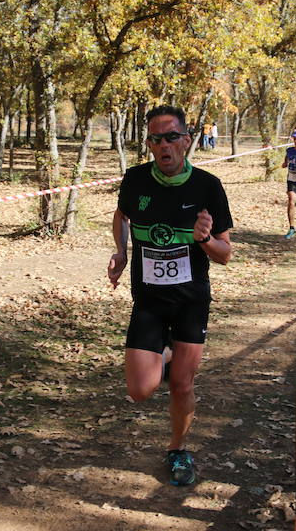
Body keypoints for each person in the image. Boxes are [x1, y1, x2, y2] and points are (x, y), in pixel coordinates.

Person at [107, 105, 233, 487]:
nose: (163, 145)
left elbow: (225, 254)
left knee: (182, 384)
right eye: (155, 139)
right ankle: (162, 353)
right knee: (140, 390)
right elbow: (121, 215)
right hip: (148, 299)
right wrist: (122, 252)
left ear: (187, 141)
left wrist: (206, 239)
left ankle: (178, 448)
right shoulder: (135, 179)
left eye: (171, 137)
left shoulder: (208, 186)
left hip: (191, 300)